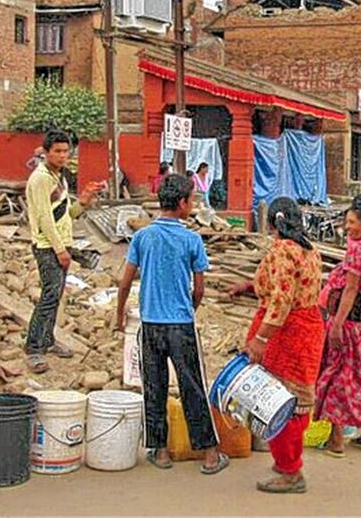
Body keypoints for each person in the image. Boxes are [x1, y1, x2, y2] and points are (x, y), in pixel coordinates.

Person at [116, 174, 227, 475]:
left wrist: (118, 315)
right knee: (192, 387)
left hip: (150, 325)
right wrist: (190, 308)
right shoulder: (191, 239)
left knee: (154, 387)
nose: (192, 205)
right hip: (180, 324)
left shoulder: (143, 237)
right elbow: (200, 289)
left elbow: (125, 282)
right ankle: (209, 454)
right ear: (181, 204)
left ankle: (161, 451)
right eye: (191, 200)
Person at [233, 198, 324, 494]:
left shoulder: (282, 251)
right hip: (307, 329)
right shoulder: (310, 250)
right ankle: (288, 460)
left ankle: (290, 471)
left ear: (271, 223)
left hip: (286, 334)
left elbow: (281, 301)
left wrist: (260, 338)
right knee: (296, 399)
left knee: (278, 402)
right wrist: (251, 287)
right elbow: (291, 288)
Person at [314, 193, 361, 457]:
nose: (347, 227)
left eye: (352, 223)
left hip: (352, 322)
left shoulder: (359, 249)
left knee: (339, 375)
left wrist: (337, 324)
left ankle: (337, 441)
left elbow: (350, 289)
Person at [25, 130, 102, 373]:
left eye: (65, 151)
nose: (62, 155)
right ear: (46, 152)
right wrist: (60, 250)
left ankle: (47, 340)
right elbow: (44, 219)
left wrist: (84, 201)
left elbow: (66, 214)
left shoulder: (59, 178)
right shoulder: (40, 179)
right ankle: (34, 348)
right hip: (47, 246)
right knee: (49, 296)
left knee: (55, 295)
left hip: (60, 242)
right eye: (57, 151)